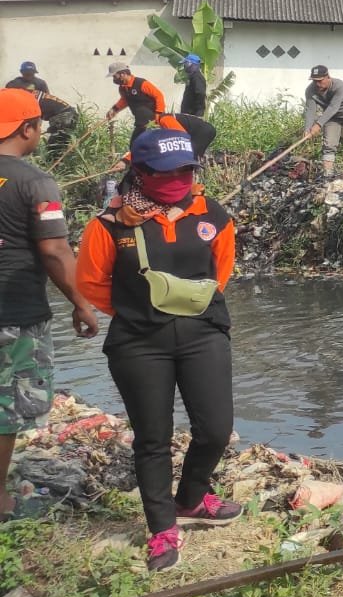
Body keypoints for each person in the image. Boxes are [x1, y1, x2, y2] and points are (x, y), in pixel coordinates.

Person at [75, 128, 241, 571]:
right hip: (138, 343)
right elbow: (91, 283)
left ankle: (191, 498)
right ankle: (161, 528)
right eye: (167, 173)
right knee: (153, 438)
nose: (178, 179)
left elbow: (220, 272)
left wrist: (184, 309)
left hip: (204, 334)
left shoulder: (213, 214)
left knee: (216, 429)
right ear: (141, 172)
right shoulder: (109, 224)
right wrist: (139, 310)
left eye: (186, 170)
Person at [0, 90, 99, 520]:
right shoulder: (35, 182)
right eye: (40, 124)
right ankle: (1, 501)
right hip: (14, 315)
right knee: (6, 408)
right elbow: (56, 251)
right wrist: (82, 302)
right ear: (28, 128)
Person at [106, 62, 165, 140]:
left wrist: (158, 115)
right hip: (141, 122)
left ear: (122, 74)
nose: (114, 79)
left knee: (150, 145)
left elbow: (159, 96)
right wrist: (114, 109)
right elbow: (125, 100)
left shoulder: (142, 83)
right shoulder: (122, 88)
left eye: (114, 76)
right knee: (134, 146)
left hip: (153, 122)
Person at [36, 91, 79, 157]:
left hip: (64, 117)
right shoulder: (32, 94)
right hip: (69, 114)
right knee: (58, 147)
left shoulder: (27, 99)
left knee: (54, 149)